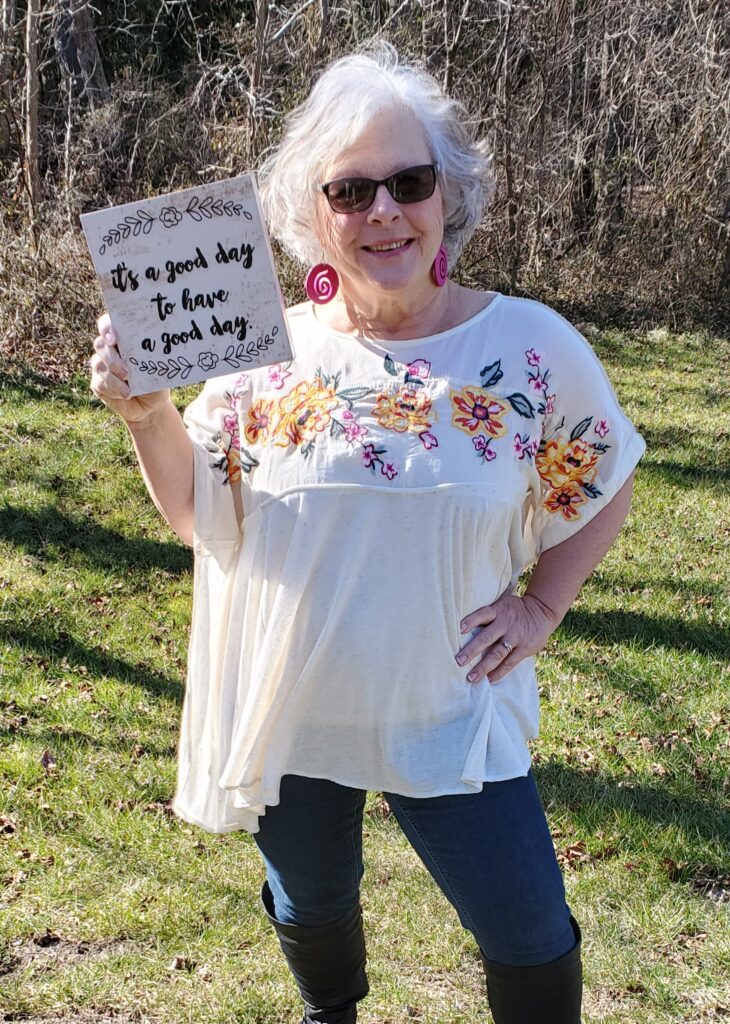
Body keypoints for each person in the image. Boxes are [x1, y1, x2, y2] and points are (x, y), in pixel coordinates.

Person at [89, 45, 645, 1024]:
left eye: (408, 181)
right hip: (295, 709)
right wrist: (147, 416)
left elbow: (603, 479)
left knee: (528, 930)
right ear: (314, 213)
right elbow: (200, 512)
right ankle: (329, 1013)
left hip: (450, 708)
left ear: (446, 196)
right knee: (313, 900)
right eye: (350, 189)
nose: (382, 210)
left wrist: (544, 601)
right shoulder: (266, 356)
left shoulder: (525, 346)